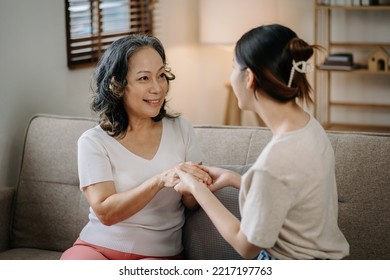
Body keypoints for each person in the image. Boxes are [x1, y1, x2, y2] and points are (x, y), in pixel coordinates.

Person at [174, 24, 350, 260]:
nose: (230, 76)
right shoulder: (309, 126)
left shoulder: (274, 162)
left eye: (232, 67)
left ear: (249, 78)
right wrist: (235, 179)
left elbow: (246, 246)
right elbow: (291, 190)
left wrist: (196, 189)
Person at [61, 34, 211, 260]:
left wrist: (197, 182)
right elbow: (106, 212)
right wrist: (159, 180)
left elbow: (192, 202)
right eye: (143, 78)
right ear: (117, 86)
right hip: (94, 248)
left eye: (161, 75)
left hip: (159, 256)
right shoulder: (93, 141)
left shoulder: (181, 128)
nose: (157, 88)